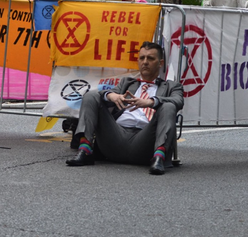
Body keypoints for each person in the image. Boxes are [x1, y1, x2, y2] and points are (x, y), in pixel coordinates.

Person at [66, 41, 184, 175]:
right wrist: (111, 95)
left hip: (146, 142)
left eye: (150, 58)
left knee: (169, 106)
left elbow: (178, 101)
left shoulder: (172, 86)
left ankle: (159, 158)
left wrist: (151, 101)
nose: (145, 62)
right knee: (91, 95)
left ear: (160, 63)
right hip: (115, 137)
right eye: (142, 58)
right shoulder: (127, 83)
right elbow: (103, 95)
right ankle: (85, 150)